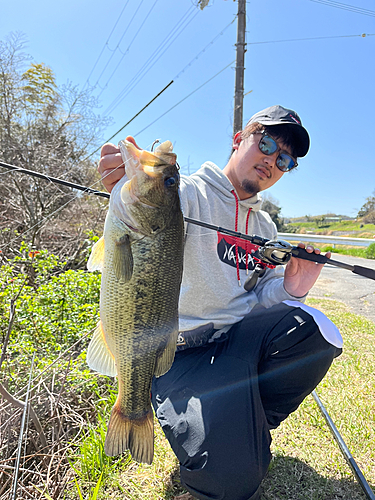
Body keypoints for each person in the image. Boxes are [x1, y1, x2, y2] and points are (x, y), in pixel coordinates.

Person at [98, 105, 343, 500]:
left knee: (315, 331)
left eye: (285, 159)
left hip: (234, 344)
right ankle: (219, 437)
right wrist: (122, 179)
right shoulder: (187, 194)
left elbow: (262, 296)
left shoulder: (265, 228)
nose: (272, 160)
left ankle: (248, 423)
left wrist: (293, 287)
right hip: (178, 356)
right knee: (233, 485)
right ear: (238, 140)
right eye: (265, 143)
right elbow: (140, 226)